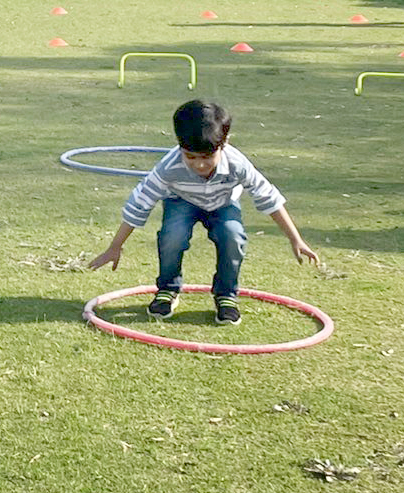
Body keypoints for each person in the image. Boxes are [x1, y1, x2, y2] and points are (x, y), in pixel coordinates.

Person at [88, 100, 319, 325]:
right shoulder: (168, 167)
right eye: (191, 157)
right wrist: (115, 246)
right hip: (180, 201)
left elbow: (268, 197)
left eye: (207, 157)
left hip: (223, 203)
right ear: (180, 147)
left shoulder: (237, 163)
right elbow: (139, 203)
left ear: (224, 143)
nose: (199, 165)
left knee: (232, 236)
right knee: (172, 236)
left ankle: (226, 294)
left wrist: (295, 239)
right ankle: (168, 290)